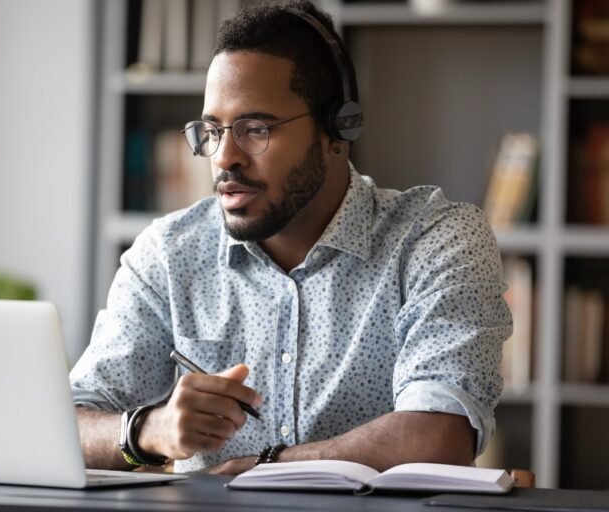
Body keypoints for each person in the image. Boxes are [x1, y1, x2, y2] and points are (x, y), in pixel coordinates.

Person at [70, 0, 512, 475]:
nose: (223, 158)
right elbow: (67, 425)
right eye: (213, 131)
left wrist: (268, 466)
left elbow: (439, 436)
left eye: (255, 129)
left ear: (338, 128)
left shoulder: (436, 239)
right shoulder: (170, 254)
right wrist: (147, 430)